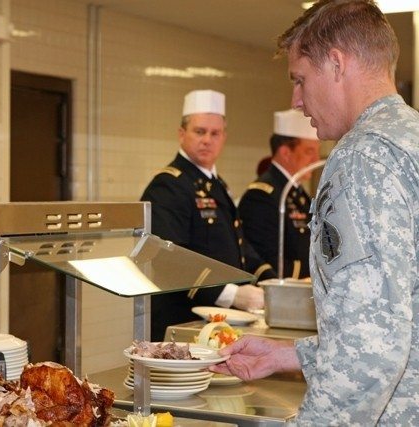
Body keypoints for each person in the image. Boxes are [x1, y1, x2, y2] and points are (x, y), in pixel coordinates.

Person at [210, 1, 419, 424]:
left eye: (301, 80)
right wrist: (290, 354)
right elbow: (400, 320)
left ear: (337, 64)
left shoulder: (362, 157)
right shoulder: (409, 139)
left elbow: (370, 349)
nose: (297, 99)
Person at [141, 89, 276, 341]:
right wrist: (232, 294)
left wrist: (270, 283)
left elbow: (239, 246)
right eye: (199, 131)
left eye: (215, 133)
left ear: (224, 137)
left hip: (214, 323)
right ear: (182, 134)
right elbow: (169, 260)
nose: (207, 140)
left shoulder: (216, 184)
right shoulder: (168, 185)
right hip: (181, 323)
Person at [238, 109, 320, 279]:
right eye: (309, 151)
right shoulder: (261, 196)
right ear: (285, 153)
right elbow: (267, 258)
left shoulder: (297, 193)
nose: (316, 160)